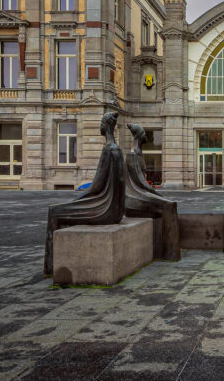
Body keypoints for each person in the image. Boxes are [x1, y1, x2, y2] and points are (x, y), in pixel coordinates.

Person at [44, 111, 124, 275]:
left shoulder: (108, 149)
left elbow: (96, 187)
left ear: (105, 126)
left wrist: (75, 201)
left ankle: (51, 267)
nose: (100, 126)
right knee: (62, 210)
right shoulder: (118, 149)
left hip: (105, 209)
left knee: (55, 212)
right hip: (116, 210)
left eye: (101, 123)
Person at [125, 122, 180, 261]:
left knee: (168, 203)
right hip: (134, 196)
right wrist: (156, 193)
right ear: (139, 135)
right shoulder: (133, 155)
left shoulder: (139, 153)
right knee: (168, 205)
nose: (146, 137)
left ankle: (169, 250)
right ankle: (170, 253)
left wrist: (155, 193)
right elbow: (139, 182)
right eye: (144, 133)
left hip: (141, 192)